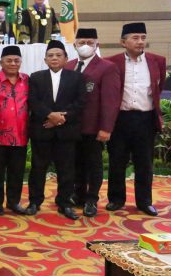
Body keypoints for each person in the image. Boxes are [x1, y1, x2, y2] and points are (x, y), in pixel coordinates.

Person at [106, 22, 165, 216]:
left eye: (143, 38)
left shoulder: (157, 61)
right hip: (120, 120)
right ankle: (116, 199)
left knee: (144, 163)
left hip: (145, 120)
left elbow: (158, 88)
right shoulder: (111, 62)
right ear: (123, 42)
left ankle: (144, 202)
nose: (140, 42)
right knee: (117, 161)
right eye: (135, 38)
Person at [26, 40, 85, 220]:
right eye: (50, 55)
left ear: (66, 59)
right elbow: (33, 101)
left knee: (66, 170)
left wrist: (60, 119)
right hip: (42, 130)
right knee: (38, 168)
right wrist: (50, 115)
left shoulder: (76, 77)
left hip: (66, 132)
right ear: (45, 59)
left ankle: (64, 203)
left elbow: (80, 102)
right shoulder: (36, 77)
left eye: (58, 55)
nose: (54, 58)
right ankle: (34, 202)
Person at [66, 28, 121, 217]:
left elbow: (110, 101)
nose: (85, 46)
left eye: (90, 42)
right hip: (71, 126)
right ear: (75, 45)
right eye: (81, 42)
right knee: (76, 163)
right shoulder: (69, 66)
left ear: (97, 45)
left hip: (93, 126)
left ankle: (92, 199)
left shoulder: (107, 67)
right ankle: (79, 194)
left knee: (93, 164)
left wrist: (106, 128)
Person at [0, 46, 29, 215]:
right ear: (1, 62)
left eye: (16, 60)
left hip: (20, 134)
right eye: (9, 60)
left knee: (17, 171)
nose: (13, 63)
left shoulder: (27, 80)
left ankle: (13, 202)